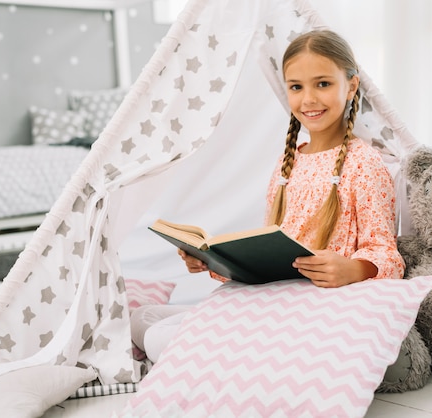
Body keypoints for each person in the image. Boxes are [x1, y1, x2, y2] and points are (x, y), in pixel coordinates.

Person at [131, 29, 405, 362]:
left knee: (162, 339)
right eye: (296, 87)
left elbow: (389, 255)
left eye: (323, 84)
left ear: (351, 86)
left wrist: (355, 268)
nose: (309, 100)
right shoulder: (288, 164)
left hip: (319, 305)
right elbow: (269, 257)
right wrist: (212, 261)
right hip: (275, 296)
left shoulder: (364, 164)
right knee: (142, 320)